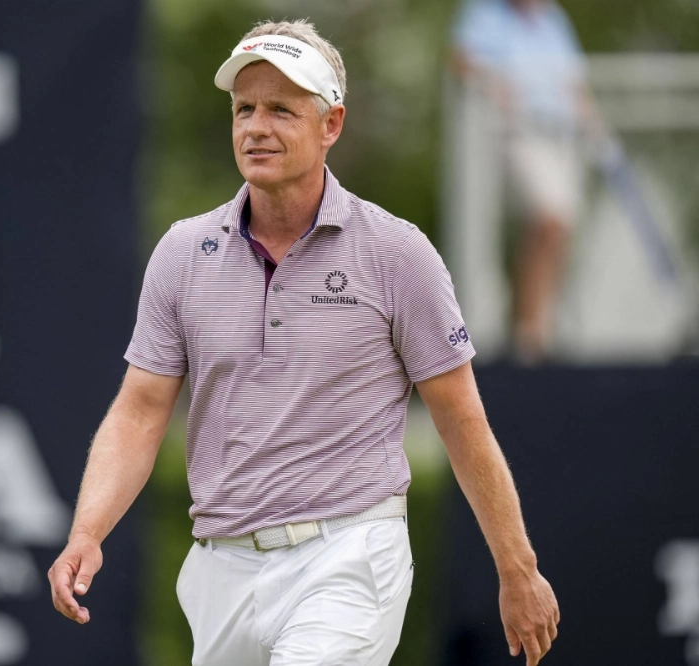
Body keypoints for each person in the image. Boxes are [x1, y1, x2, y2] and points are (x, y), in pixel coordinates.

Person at [49, 18, 559, 666]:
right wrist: (87, 531)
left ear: (331, 125)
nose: (256, 128)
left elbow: (461, 419)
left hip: (348, 554)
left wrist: (517, 568)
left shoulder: (397, 254)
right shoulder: (183, 253)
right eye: (244, 109)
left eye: (281, 111)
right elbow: (140, 410)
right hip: (221, 567)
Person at [450, 0, 606, 363]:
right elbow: (462, 60)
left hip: (562, 136)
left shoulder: (553, 19)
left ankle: (540, 327)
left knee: (557, 230)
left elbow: (574, 82)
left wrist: (597, 130)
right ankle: (530, 334)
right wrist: (496, 84)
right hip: (518, 132)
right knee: (549, 218)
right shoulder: (484, 13)